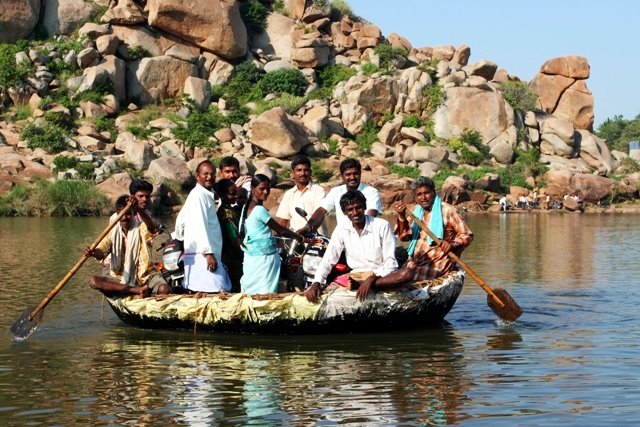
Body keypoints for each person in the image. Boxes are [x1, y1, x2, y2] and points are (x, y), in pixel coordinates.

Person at [358, 176, 473, 296]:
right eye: (419, 194)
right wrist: (402, 217)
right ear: (415, 197)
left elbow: (467, 235)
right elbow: (404, 237)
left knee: (402, 277)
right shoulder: (415, 211)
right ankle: (373, 281)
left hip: (436, 265)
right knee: (394, 264)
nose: (423, 198)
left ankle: (372, 282)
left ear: (433, 192)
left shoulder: (447, 210)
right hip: (414, 262)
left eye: (426, 193)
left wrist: (451, 244)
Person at [304, 191, 398, 303]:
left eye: (358, 208)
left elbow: (391, 263)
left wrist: (371, 279)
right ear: (344, 212)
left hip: (380, 276)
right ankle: (358, 284)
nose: (355, 213)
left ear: (365, 207)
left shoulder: (382, 225)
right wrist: (316, 282)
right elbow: (328, 259)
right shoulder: (341, 229)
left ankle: (362, 285)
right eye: (350, 209)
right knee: (334, 281)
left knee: (406, 274)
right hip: (355, 276)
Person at [84, 195, 171, 297]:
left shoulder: (141, 227)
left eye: (128, 214)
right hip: (120, 277)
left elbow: (152, 228)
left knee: (164, 289)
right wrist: (92, 252)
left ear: (134, 214)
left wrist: (138, 208)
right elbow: (101, 253)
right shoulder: (112, 232)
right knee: (94, 281)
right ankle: (137, 290)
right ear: (117, 214)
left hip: (146, 276)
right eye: (121, 214)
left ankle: (137, 290)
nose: (125, 218)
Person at [239, 174, 304, 295]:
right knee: (265, 293)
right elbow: (281, 230)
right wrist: (299, 238)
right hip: (263, 260)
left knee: (252, 292)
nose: (266, 192)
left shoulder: (246, 207)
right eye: (261, 189)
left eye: (268, 189)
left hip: (252, 259)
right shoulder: (259, 210)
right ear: (253, 189)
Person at [174, 160, 232, 293]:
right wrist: (208, 253)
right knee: (213, 291)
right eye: (205, 174)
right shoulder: (198, 195)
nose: (209, 177)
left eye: (212, 174)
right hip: (203, 255)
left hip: (203, 252)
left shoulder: (204, 194)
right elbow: (200, 224)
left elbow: (180, 222)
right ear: (197, 176)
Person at [301, 158, 382, 233]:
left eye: (355, 174)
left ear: (360, 174)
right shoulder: (336, 191)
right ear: (342, 176)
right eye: (348, 174)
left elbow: (371, 215)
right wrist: (308, 226)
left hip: (365, 235)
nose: (352, 177)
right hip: (342, 238)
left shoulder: (371, 192)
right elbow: (322, 210)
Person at [275, 154, 327, 236]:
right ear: (293, 173)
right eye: (299, 170)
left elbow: (320, 213)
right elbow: (283, 220)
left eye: (306, 170)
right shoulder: (289, 194)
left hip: (315, 239)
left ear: (310, 172)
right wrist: (277, 236)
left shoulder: (319, 191)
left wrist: (307, 228)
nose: (303, 173)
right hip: (295, 241)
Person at [214, 178, 244, 292]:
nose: (236, 197)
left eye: (236, 193)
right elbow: (233, 238)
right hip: (231, 256)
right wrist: (242, 256)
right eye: (233, 194)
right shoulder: (227, 213)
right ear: (223, 195)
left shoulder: (228, 210)